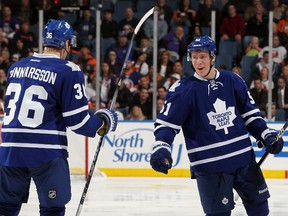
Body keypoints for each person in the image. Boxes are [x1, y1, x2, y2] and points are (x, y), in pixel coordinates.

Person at [150, 36, 284, 216]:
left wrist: (265, 134)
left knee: (260, 209)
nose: (198, 61)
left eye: (202, 56)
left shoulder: (232, 80)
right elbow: (167, 125)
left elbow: (250, 114)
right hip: (210, 167)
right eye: (194, 57)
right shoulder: (183, 90)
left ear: (213, 57)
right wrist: (162, 146)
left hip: (243, 159)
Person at [0, 19, 118, 216]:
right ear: (65, 43)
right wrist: (104, 120)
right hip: (46, 154)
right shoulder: (68, 70)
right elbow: (79, 123)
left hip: (9, 150)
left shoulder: (15, 67)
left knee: (5, 208)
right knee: (53, 209)